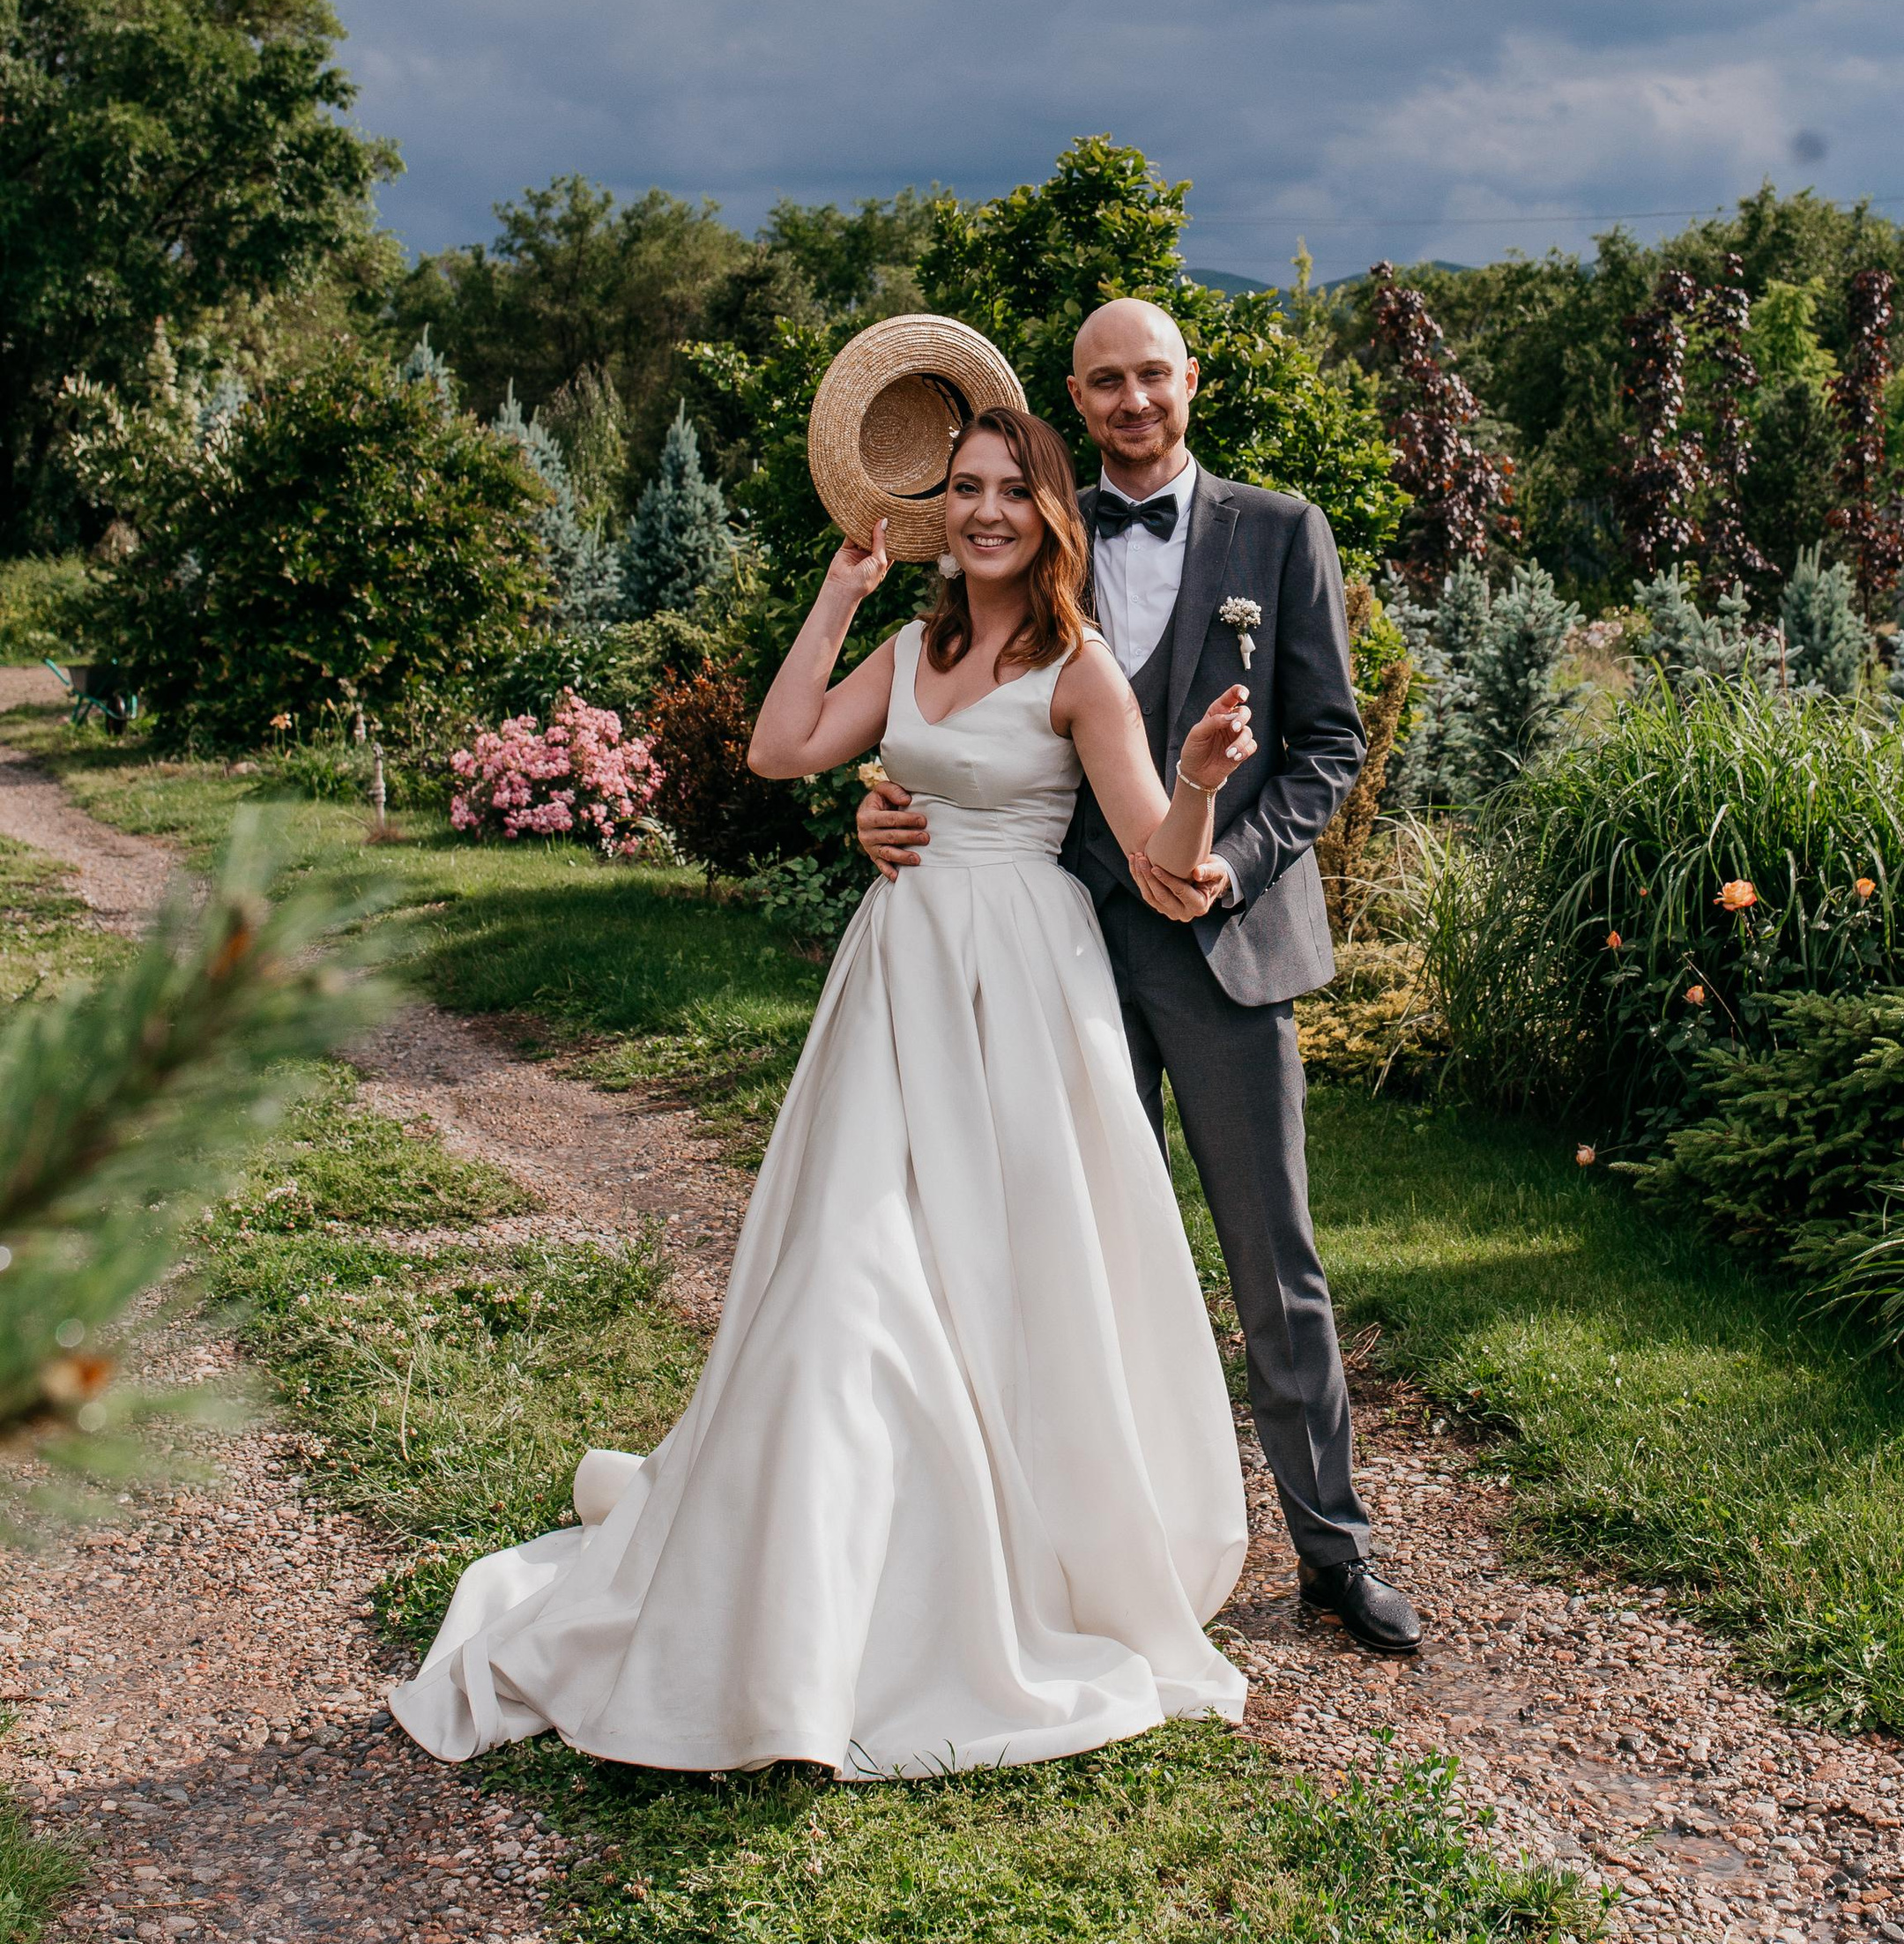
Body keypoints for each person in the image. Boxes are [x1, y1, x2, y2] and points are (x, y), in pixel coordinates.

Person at [389, 402, 1260, 1780]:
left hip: (1023, 995)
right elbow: (780, 747)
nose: (985, 512)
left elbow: (1166, 868)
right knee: (842, 1285)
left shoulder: (1080, 671)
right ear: (938, 512)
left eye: (1010, 491)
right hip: (898, 979)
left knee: (1012, 1277)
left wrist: (1200, 780)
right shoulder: (911, 650)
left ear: (1049, 514)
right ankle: (803, 1626)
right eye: (964, 489)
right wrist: (841, 590)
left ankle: (991, 1569)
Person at [859, 299, 1424, 1655]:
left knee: (1274, 1262)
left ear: (1190, 381)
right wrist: (879, 806)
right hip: (1065, 956)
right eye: (1105, 381)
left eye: (1152, 376)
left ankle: (1333, 1555)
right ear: (1077, 395)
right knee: (1065, 1254)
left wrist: (1234, 861)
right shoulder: (1029, 532)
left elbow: (1328, 745)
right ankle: (1071, 1558)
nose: (1132, 400)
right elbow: (960, 718)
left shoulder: (1278, 532)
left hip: (1229, 954)